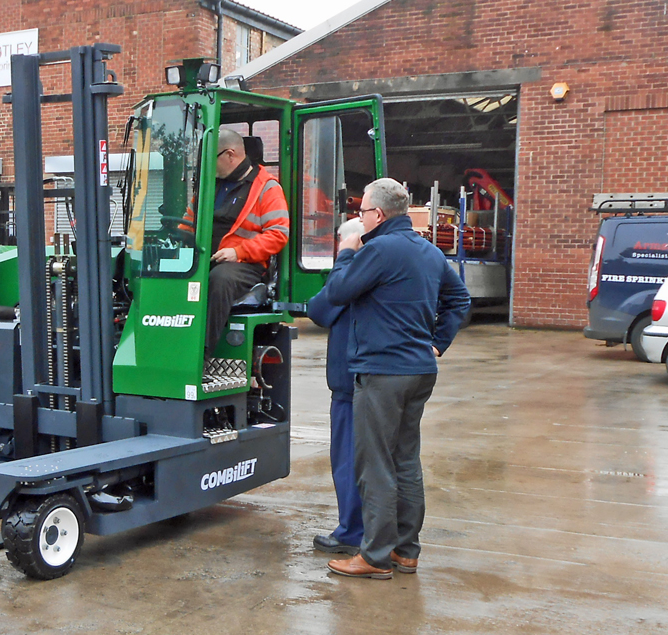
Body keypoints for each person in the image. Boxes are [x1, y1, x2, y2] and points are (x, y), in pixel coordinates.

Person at [323, 178, 470, 580]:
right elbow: (459, 299)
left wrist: (347, 254)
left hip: (382, 372)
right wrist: (437, 343)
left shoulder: (379, 250)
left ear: (379, 214)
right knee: (405, 460)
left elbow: (338, 292)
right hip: (419, 371)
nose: (360, 218)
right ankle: (406, 551)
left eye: (363, 211)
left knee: (375, 465)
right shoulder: (428, 251)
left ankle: (374, 556)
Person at [191, 128, 289, 362]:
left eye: (211, 158)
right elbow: (188, 222)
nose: (207, 165)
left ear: (230, 155)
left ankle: (200, 355)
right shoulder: (209, 186)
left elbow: (278, 235)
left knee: (220, 279)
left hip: (246, 263)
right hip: (205, 256)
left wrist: (238, 252)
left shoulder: (267, 188)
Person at [307, 216, 367, 556]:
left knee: (347, 460)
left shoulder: (352, 273)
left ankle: (351, 532)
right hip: (386, 379)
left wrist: (345, 257)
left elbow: (318, 308)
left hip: (349, 382)